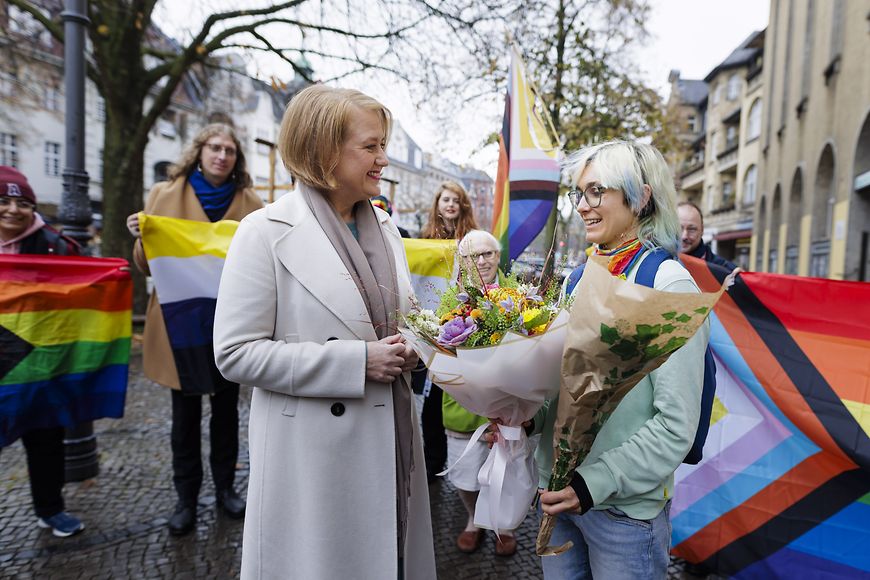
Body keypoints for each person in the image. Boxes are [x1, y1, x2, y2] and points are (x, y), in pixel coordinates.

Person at [212, 85, 436, 579]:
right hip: (312, 462)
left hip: (392, 440)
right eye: (371, 146)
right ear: (324, 151)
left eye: (383, 145)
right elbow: (234, 353)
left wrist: (417, 345)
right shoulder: (264, 231)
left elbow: (406, 317)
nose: (383, 159)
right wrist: (356, 362)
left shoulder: (386, 228)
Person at [534, 141, 710, 579]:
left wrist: (592, 484)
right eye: (579, 193)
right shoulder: (578, 278)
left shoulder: (668, 286)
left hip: (623, 516)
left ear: (641, 197)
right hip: (557, 496)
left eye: (597, 191)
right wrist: (522, 417)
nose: (582, 206)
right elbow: (559, 386)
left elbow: (676, 425)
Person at [126, 124, 263, 536]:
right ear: (199, 152)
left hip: (230, 322)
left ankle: (225, 489)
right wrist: (142, 238)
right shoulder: (163, 194)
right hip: (180, 322)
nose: (222, 156)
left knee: (226, 414)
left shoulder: (251, 203)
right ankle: (185, 499)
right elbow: (147, 265)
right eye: (214, 148)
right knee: (183, 418)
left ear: (237, 158)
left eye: (229, 150)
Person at [0, 166, 84, 537]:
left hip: (39, 359)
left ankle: (50, 509)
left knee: (45, 438)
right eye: (4, 201)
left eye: (22, 203)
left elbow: (82, 294)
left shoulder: (56, 245)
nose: (13, 210)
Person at [445, 229, 517, 557]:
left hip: (508, 400)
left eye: (488, 253)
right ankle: (474, 518)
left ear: (498, 256)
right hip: (464, 400)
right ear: (462, 261)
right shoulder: (450, 297)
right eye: (473, 256)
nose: (482, 261)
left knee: (507, 471)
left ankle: (503, 524)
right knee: (466, 473)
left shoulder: (518, 293)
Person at [419, 181, 479, 482]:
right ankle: (433, 462)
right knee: (431, 402)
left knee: (459, 396)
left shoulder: (473, 240)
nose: (451, 205)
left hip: (463, 325)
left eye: (456, 200)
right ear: (438, 204)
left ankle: (467, 463)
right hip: (434, 327)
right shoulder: (425, 240)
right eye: (446, 199)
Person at [678, 201, 738, 271]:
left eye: (692, 229)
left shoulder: (725, 270)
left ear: (702, 230)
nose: (684, 236)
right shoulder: (666, 263)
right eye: (678, 228)